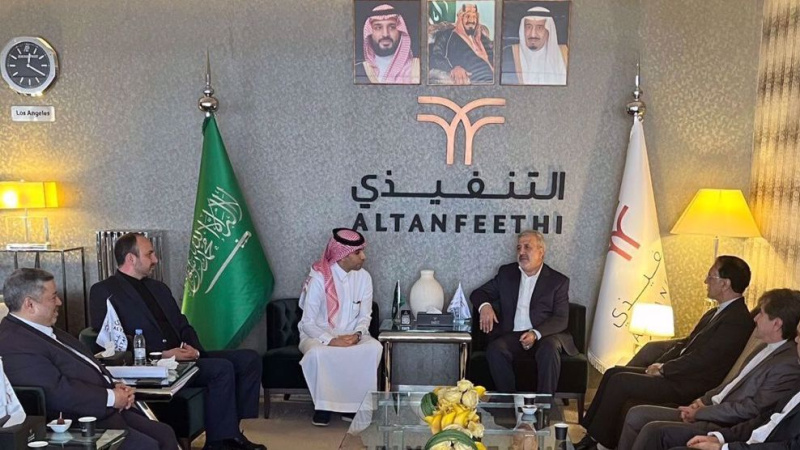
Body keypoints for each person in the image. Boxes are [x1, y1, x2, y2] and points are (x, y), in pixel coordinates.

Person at [89, 233, 265, 450]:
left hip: (184, 358)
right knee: (222, 369)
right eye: (149, 254)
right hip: (152, 364)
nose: (155, 259)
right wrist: (161, 354)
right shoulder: (104, 290)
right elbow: (109, 342)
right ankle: (219, 443)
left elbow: (182, 325)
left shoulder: (159, 288)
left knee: (249, 359)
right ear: (131, 259)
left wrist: (195, 350)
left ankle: (231, 432)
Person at [575, 256, 756, 450]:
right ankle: (591, 437)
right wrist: (659, 364)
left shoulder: (737, 320)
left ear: (725, 284)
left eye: (711, 276)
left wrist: (665, 369)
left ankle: (598, 444)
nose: (705, 281)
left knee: (620, 382)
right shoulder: (716, 312)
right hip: (678, 375)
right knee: (613, 372)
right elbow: (686, 344)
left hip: (689, 385)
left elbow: (703, 359)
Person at [0, 268, 177, 450]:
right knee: (147, 446)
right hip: (79, 421)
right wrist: (111, 397)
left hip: (105, 409)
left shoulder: (42, 329)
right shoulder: (15, 343)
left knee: (164, 433)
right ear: (29, 304)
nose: (59, 302)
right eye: (53, 298)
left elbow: (87, 365)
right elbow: (56, 393)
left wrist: (115, 385)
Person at [618, 288, 800, 450]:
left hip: (724, 423)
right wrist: (702, 401)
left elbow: (752, 410)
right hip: (711, 409)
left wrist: (701, 413)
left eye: (761, 313)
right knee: (636, 413)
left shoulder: (787, 364)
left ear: (777, 324)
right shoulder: (763, 347)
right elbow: (731, 384)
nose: (755, 318)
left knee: (652, 429)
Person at [655, 319, 800, 450]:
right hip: (739, 436)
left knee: (657, 432)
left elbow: (789, 445)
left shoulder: (788, 364)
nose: (796, 339)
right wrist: (719, 437)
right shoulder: (764, 350)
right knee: (659, 432)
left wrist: (724, 447)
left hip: (732, 428)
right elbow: (764, 418)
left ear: (777, 323)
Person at [469, 230, 577, 394]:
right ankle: (510, 403)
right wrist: (485, 306)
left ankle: (544, 404)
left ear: (541, 252)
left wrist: (535, 333)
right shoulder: (507, 273)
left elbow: (561, 318)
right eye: (519, 248)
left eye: (527, 247)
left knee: (549, 348)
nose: (522, 252)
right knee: (495, 349)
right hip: (513, 335)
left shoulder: (557, 281)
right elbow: (478, 293)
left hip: (545, 335)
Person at [297, 228, 382, 426]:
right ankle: (323, 407)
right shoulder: (319, 278)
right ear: (343, 256)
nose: (364, 257)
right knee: (318, 353)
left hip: (353, 335)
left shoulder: (364, 277)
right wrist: (332, 340)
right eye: (358, 252)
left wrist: (358, 335)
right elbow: (308, 322)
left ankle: (353, 406)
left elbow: (365, 316)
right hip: (318, 336)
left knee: (374, 348)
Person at [429, 3, 494, 85]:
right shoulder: (447, 35)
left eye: (474, 17)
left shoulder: (481, 38)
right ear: (460, 18)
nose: (471, 20)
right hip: (475, 81)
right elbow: (435, 57)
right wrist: (453, 69)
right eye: (467, 16)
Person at [501, 6, 567, 85]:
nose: (533, 34)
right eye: (528, 27)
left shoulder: (565, 54)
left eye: (539, 28)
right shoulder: (508, 54)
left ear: (548, 31)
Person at [355, 3, 420, 84]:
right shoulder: (357, 71)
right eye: (378, 28)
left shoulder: (418, 69)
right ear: (369, 32)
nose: (385, 34)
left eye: (392, 27)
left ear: (400, 31)